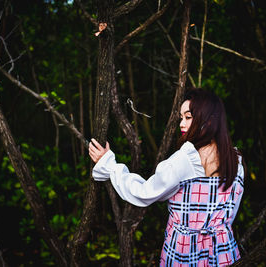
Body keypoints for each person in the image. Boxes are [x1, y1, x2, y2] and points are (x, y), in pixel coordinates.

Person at [89, 88, 244, 266]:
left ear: (208, 120)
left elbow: (144, 192)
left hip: (185, 251)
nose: (181, 124)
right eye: (181, 118)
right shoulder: (236, 161)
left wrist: (109, 165)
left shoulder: (186, 159)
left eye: (188, 117)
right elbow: (231, 213)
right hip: (223, 252)